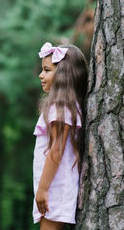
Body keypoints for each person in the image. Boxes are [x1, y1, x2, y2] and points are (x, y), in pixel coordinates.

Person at [33, 42, 88, 230]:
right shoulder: (65, 106)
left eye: (47, 70)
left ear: (64, 75)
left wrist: (43, 189)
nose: (41, 75)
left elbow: (57, 149)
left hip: (55, 187)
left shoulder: (61, 107)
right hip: (55, 186)